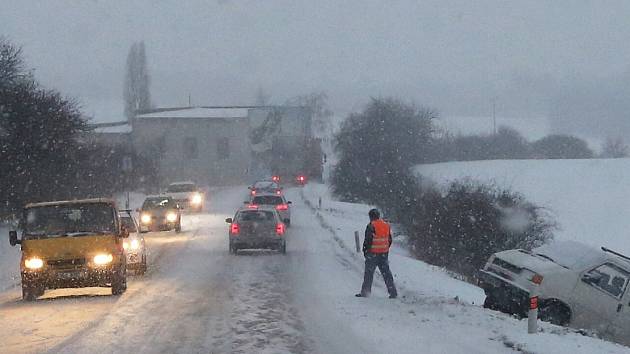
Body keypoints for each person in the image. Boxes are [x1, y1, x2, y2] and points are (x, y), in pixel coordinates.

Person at [356, 208, 398, 299]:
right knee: (386, 273)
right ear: (378, 216)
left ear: (371, 216)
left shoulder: (371, 225)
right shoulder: (386, 225)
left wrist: (365, 251)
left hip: (373, 253)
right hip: (383, 253)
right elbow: (389, 239)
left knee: (369, 273)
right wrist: (385, 248)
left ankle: (365, 292)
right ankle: (393, 292)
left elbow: (368, 240)